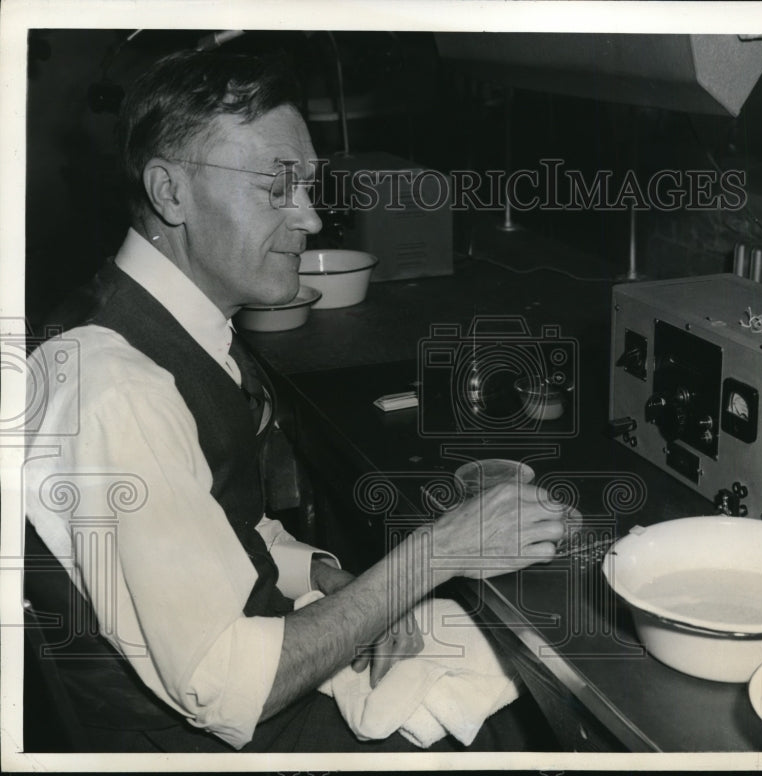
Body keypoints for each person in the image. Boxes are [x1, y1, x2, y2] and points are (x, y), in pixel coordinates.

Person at [23, 49, 565, 753]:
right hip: (200, 746)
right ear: (170, 192)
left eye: (307, 185)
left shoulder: (163, 325)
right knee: (523, 733)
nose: (309, 218)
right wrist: (437, 552)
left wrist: (326, 575)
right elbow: (226, 686)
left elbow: (209, 526)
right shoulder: (117, 389)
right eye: (277, 186)